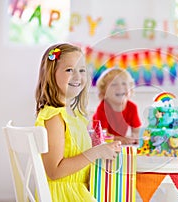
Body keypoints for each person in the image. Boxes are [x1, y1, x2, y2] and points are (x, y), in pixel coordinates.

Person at [35, 43, 121, 201]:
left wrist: (102, 147)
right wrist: (96, 152)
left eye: (82, 70)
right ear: (51, 74)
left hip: (79, 189)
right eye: (69, 70)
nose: (77, 76)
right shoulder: (54, 117)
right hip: (63, 195)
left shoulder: (75, 116)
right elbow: (54, 171)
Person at [93, 68, 142, 145]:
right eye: (113, 84)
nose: (120, 87)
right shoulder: (102, 108)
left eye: (124, 83)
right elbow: (102, 135)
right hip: (97, 141)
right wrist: (120, 139)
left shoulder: (132, 107)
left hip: (116, 143)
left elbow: (136, 131)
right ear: (103, 92)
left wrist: (135, 138)